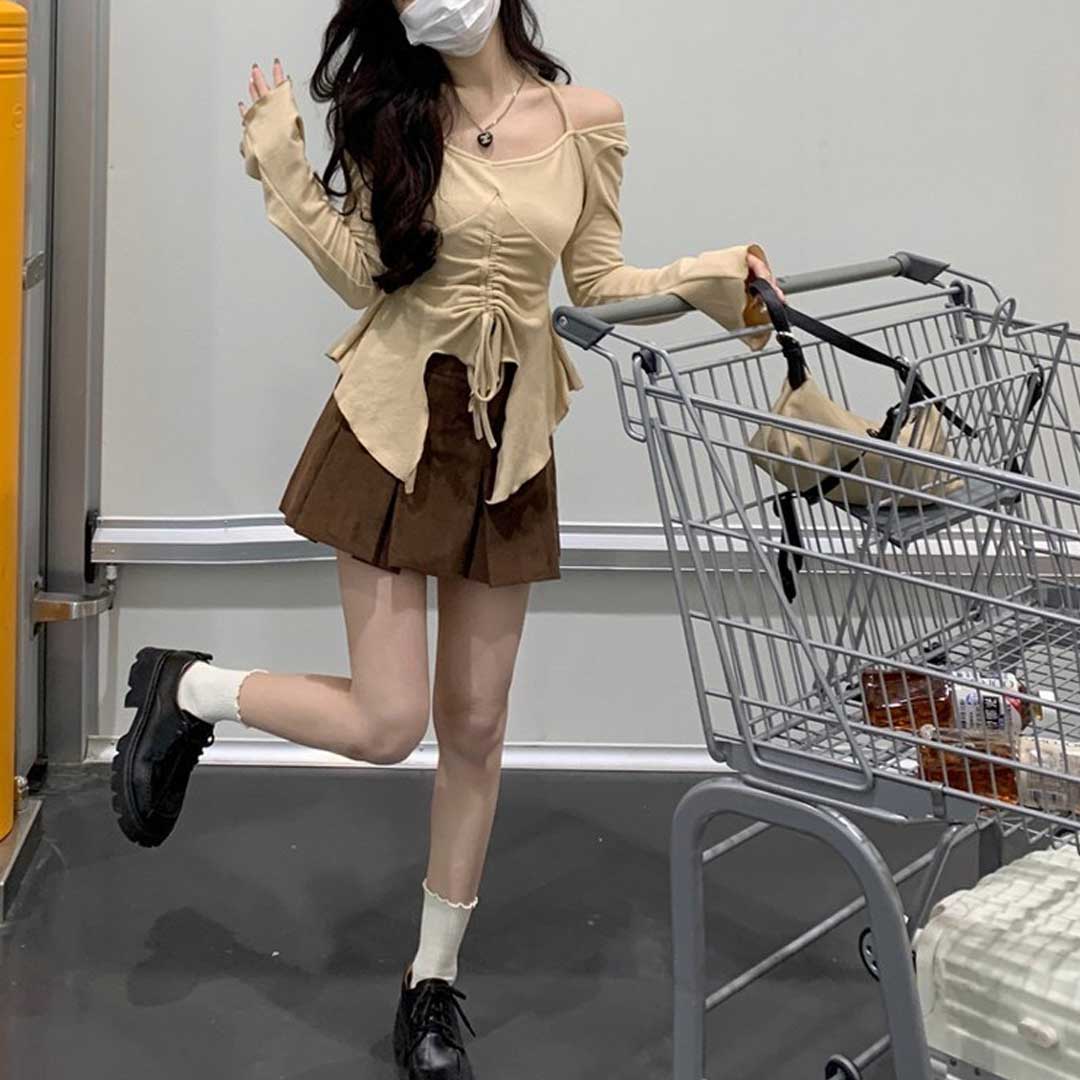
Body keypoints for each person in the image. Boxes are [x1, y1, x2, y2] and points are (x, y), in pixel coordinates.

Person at [109, 1, 781, 1076]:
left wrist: (707, 281)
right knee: (389, 724)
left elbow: (598, 282)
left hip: (509, 444)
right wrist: (285, 169)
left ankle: (429, 983)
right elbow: (364, 274)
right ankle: (190, 689)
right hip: (392, 424)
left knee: (475, 725)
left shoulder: (589, 119)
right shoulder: (397, 114)